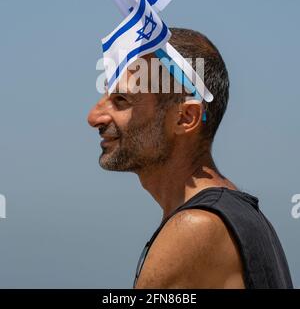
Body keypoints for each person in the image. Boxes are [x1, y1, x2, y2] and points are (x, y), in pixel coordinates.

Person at [87, 27, 294, 289]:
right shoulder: (240, 218)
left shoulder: (196, 227)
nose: (94, 117)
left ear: (185, 118)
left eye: (121, 100)